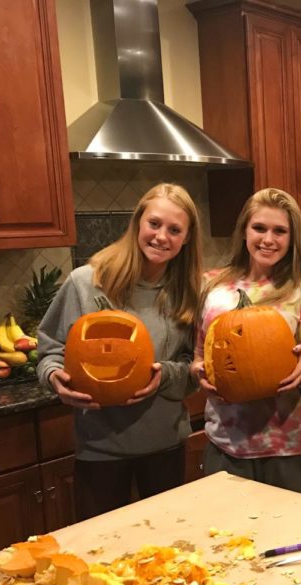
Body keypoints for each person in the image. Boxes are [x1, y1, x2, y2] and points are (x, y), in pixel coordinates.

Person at [37, 183, 203, 519]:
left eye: (174, 230)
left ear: (186, 238)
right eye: (154, 224)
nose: (161, 237)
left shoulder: (189, 292)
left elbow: (195, 366)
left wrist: (164, 376)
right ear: (138, 223)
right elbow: (51, 350)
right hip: (100, 447)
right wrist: (55, 378)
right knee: (100, 553)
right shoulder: (86, 283)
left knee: (167, 549)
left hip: (165, 445)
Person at [192, 188, 301, 494]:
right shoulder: (212, 284)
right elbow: (199, 354)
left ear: (292, 238)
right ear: (244, 231)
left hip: (290, 443)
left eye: (280, 231)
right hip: (226, 441)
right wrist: (198, 374)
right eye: (259, 228)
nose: (268, 239)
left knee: (294, 538)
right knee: (227, 538)